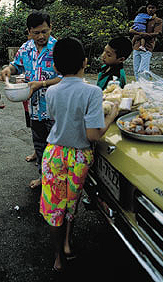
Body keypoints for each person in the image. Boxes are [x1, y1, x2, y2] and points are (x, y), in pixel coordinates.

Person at [40, 37, 119, 273]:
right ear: (85, 62)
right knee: (70, 205)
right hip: (79, 158)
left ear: (55, 67)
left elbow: (58, 119)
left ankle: (58, 255)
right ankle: (67, 244)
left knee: (55, 209)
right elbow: (93, 135)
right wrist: (111, 116)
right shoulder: (92, 92)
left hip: (54, 154)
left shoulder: (51, 91)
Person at [0, 10, 61, 189]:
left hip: (55, 108)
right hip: (34, 108)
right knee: (40, 144)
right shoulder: (26, 48)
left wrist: (42, 84)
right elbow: (16, 66)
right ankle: (43, 177)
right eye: (36, 33)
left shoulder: (58, 48)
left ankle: (56, 179)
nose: (41, 36)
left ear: (50, 28)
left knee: (55, 147)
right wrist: (8, 70)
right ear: (29, 32)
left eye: (45, 31)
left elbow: (67, 77)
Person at [129, 1, 163, 79]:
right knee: (136, 70)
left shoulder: (158, 20)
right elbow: (131, 30)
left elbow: (157, 33)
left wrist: (144, 35)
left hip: (147, 47)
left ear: (156, 9)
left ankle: (145, 88)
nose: (150, 9)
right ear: (146, 8)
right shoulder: (140, 17)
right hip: (136, 46)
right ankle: (139, 88)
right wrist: (139, 33)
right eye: (149, 7)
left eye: (153, 8)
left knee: (143, 70)